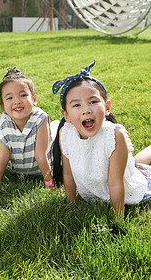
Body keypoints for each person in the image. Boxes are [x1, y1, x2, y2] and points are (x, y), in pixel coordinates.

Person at [52, 61, 151, 216]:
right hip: (96, 192)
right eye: (76, 105)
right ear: (66, 115)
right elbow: (68, 173)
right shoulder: (66, 134)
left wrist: (117, 216)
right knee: (136, 164)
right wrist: (70, 202)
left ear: (107, 108)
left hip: (127, 188)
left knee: (139, 171)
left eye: (93, 102)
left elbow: (115, 182)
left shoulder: (113, 135)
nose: (86, 110)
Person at [0, 68, 54, 189]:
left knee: (54, 132)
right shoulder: (3, 122)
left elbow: (40, 154)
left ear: (34, 100)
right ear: (2, 106)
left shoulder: (40, 118)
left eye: (23, 95)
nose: (17, 101)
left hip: (41, 169)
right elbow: (3, 155)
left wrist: (49, 182)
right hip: (17, 171)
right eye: (9, 98)